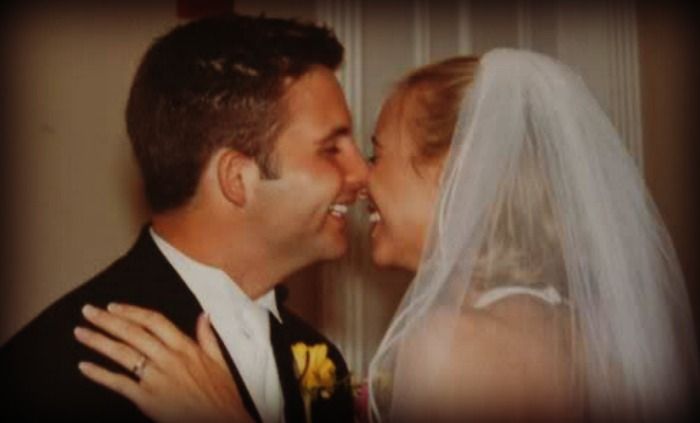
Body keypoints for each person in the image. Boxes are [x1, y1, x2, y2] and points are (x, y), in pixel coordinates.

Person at [73, 49, 699, 421]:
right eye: (338, 149)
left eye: (376, 151)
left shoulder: (454, 346)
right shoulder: (581, 333)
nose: (360, 178)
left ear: (458, 174)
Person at [0, 13, 365, 423]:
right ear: (236, 178)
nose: (362, 173)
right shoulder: (55, 371)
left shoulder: (321, 363)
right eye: (331, 149)